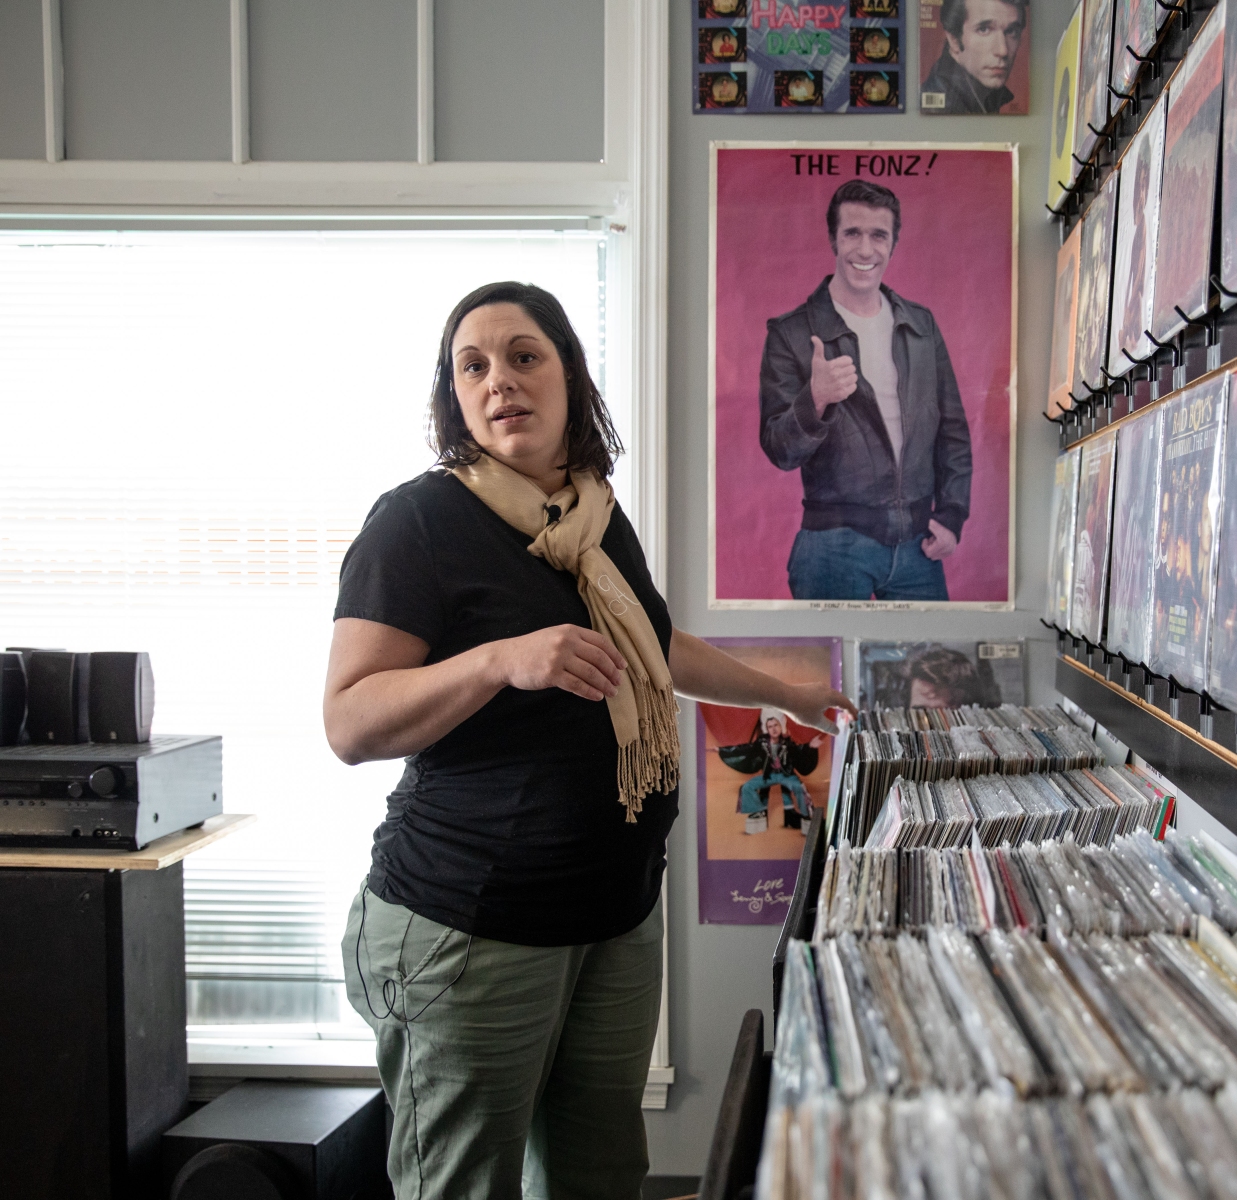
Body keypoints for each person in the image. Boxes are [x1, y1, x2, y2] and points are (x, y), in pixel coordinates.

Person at [324, 281, 853, 1200]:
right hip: (471, 926)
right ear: (454, 396)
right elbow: (350, 721)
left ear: (569, 374)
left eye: (523, 356)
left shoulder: (596, 519)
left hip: (614, 914)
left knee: (600, 1176)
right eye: (472, 367)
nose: (499, 381)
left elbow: (654, 644)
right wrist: (500, 661)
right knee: (464, 1186)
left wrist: (788, 695)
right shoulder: (417, 523)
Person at [759, 179, 974, 601]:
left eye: (878, 235)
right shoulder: (792, 333)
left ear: (893, 244)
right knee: (832, 652)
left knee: (933, 648)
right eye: (852, 234)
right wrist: (815, 399)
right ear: (833, 240)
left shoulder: (921, 326)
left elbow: (953, 431)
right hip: (832, 548)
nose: (865, 249)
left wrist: (952, 515)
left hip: (918, 549)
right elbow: (779, 450)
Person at [921, 0, 1028, 114]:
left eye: (1011, 31)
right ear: (954, 40)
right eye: (984, 29)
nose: (1003, 51)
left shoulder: (984, 96)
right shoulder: (941, 108)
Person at [730, 711, 820, 829]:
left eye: (776, 725)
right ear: (767, 729)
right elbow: (746, 749)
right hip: (769, 775)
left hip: (786, 775)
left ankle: (807, 815)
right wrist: (723, 750)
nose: (773, 729)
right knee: (747, 787)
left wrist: (810, 746)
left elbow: (799, 750)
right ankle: (759, 812)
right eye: (770, 727)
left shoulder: (787, 742)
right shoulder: (762, 742)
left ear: (781, 726)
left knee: (799, 787)